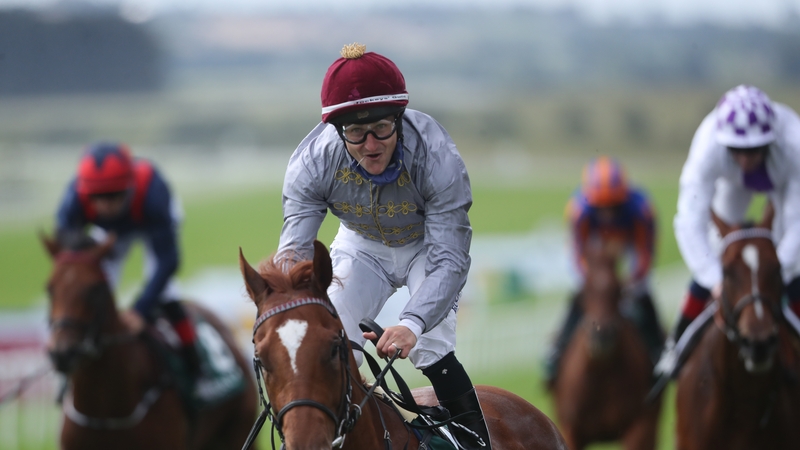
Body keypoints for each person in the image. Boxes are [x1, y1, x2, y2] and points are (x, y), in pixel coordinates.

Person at [277, 43, 490, 449]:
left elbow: (450, 258)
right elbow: (294, 255)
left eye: (382, 128)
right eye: (355, 133)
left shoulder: (438, 157)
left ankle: (479, 444)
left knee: (430, 347)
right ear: (337, 130)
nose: (371, 144)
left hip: (427, 243)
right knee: (332, 347)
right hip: (361, 245)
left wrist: (411, 323)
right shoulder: (311, 162)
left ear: (399, 118)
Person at [657, 84, 800, 377]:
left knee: (791, 267)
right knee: (715, 256)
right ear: (724, 145)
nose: (746, 159)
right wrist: (713, 278)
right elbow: (688, 223)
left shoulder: (793, 144)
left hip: (786, 185)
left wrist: (776, 271)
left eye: (753, 150)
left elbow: (797, 225)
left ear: (770, 141)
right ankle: (674, 348)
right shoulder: (707, 148)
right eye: (737, 150)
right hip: (730, 183)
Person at [55, 142, 201, 379]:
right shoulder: (75, 197)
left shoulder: (153, 192)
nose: (105, 205)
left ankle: (194, 362)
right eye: (97, 197)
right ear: (85, 193)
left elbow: (168, 261)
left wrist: (140, 310)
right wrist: (89, 249)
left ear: (129, 187)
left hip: (149, 222)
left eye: (113, 195)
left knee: (166, 293)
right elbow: (65, 243)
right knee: (91, 289)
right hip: (108, 233)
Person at [543, 156, 664, 387]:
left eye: (613, 206)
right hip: (594, 248)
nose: (607, 212)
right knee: (580, 295)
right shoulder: (579, 210)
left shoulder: (642, 209)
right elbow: (577, 253)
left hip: (629, 248)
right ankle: (556, 351)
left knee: (643, 295)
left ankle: (658, 351)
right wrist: (593, 281)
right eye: (602, 207)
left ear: (623, 198)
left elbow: (645, 254)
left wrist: (629, 281)